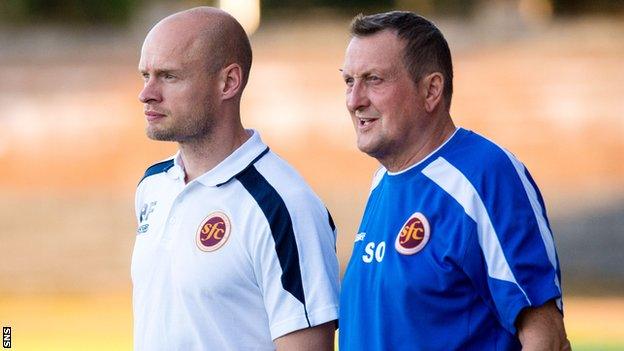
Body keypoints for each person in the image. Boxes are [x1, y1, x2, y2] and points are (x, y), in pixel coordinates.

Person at [338, 11, 570, 350]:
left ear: (431, 90)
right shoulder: (382, 183)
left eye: (374, 79)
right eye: (348, 81)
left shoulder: (485, 175)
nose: (354, 100)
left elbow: (546, 338)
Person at [132, 7, 339, 350]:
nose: (147, 93)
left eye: (169, 76)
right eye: (145, 75)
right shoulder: (152, 186)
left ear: (228, 82)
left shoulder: (283, 206)